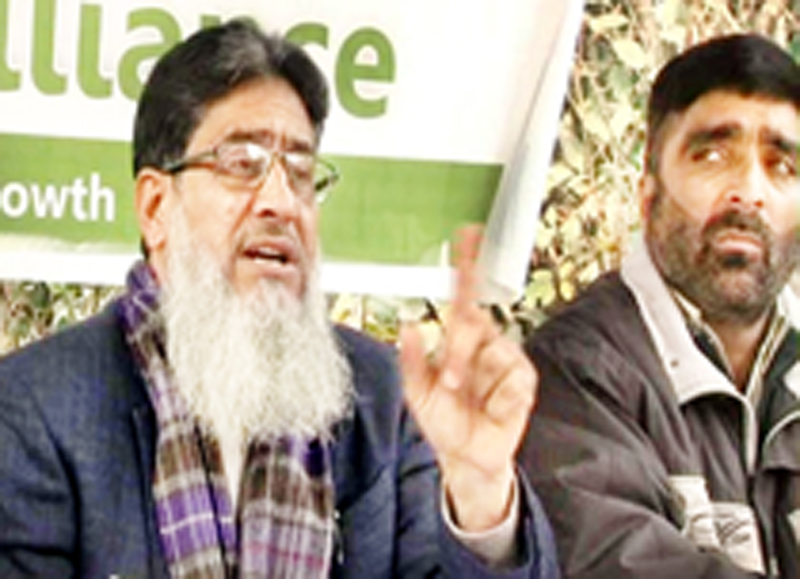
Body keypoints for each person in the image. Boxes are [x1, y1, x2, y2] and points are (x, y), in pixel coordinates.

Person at [0, 19, 558, 579]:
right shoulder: (36, 411)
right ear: (154, 207)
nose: (281, 201)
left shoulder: (388, 403)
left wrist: (481, 493)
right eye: (241, 164)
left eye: (300, 171)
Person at [518, 33, 800, 579]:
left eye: (781, 166)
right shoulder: (575, 368)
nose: (749, 191)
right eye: (712, 156)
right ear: (647, 194)